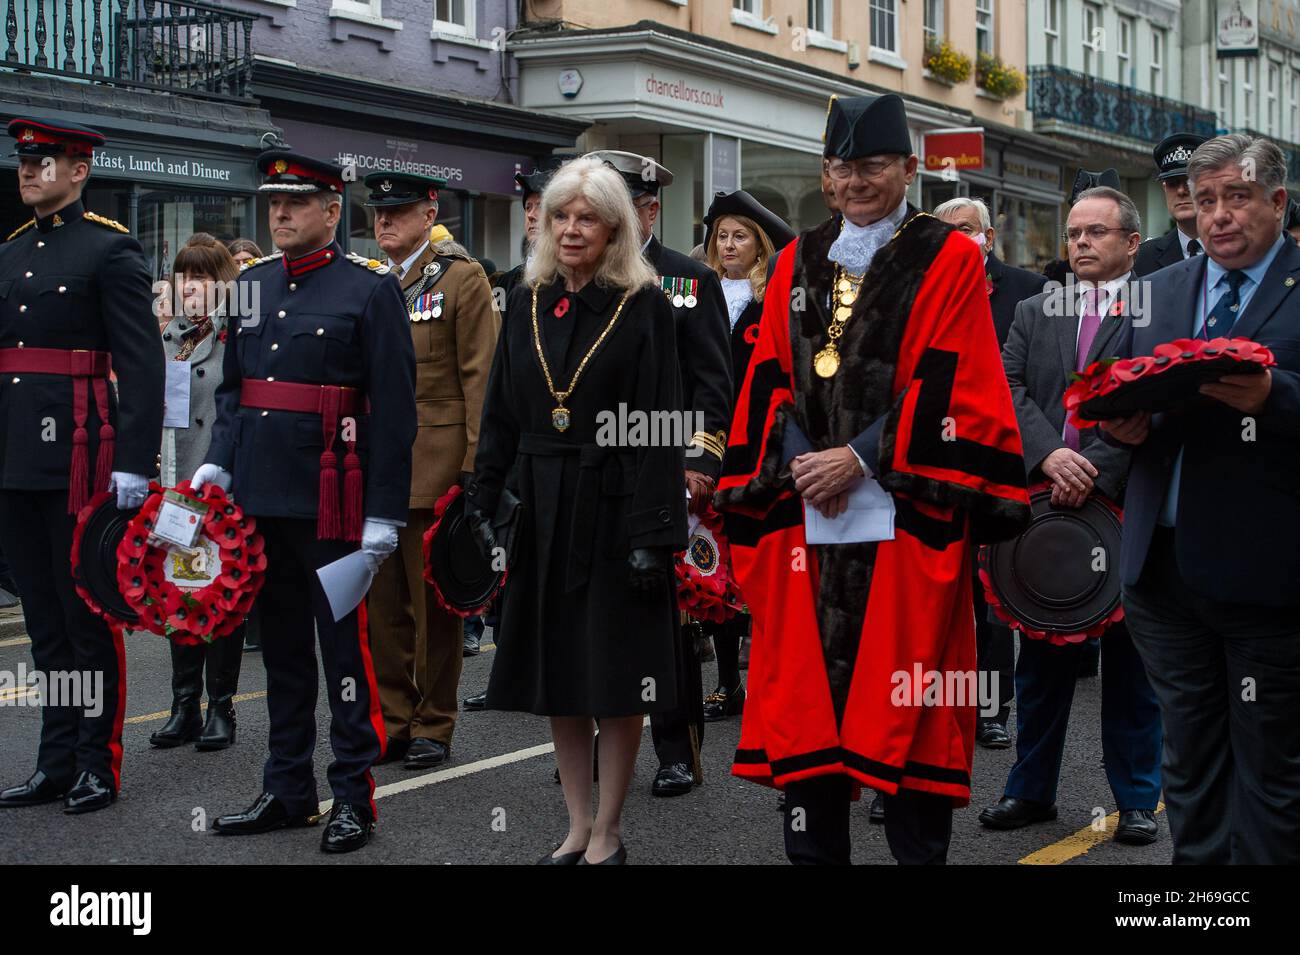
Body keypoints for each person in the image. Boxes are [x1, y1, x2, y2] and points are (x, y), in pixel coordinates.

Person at [716, 93, 1030, 865]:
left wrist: (858, 457)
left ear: (909, 169)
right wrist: (799, 458)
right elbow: (765, 379)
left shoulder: (950, 257)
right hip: (809, 528)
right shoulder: (795, 258)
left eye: (873, 166)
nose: (856, 180)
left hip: (906, 521)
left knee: (912, 706)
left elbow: (959, 383)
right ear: (825, 176)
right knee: (809, 722)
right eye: (842, 167)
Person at [193, 150, 417, 853]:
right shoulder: (252, 285)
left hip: (334, 503)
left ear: (331, 209)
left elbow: (396, 409)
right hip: (261, 499)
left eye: (295, 203)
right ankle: (286, 786)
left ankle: (353, 795)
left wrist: (384, 512)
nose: (281, 214)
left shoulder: (368, 291)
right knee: (284, 655)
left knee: (345, 657)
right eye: (273, 204)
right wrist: (217, 466)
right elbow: (234, 391)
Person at [465, 155, 686, 864]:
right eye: (560, 214)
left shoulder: (645, 304)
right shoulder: (525, 297)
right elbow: (498, 410)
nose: (569, 228)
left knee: (615, 677)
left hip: (617, 512)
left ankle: (610, 831)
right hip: (541, 507)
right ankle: (575, 824)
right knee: (561, 674)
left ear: (615, 226)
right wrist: (482, 493)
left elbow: (660, 422)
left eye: (586, 216)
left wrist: (655, 532)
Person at [1099, 134, 1300, 864]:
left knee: (1272, 771)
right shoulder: (1163, 288)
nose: (1216, 216)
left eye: (1236, 198)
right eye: (1204, 199)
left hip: (1267, 575)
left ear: (1277, 202)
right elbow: (1112, 378)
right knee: (1189, 762)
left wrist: (1275, 395)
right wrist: (1119, 422)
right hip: (1161, 570)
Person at [982, 186, 1163, 844]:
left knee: (1131, 661)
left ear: (1132, 243)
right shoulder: (1034, 309)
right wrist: (1052, 455)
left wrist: (1096, 469)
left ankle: (1138, 797)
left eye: (1096, 233)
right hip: (1043, 501)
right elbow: (1008, 385)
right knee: (1043, 656)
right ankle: (1028, 791)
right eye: (1074, 233)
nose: (1081, 243)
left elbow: (1158, 398)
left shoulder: (1157, 308)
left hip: (1123, 502)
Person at [0, 118, 164, 813]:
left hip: (79, 459)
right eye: (24, 161)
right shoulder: (9, 253)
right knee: (43, 623)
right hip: (15, 458)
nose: (29, 171)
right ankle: (56, 758)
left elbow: (141, 363)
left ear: (79, 170)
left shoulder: (110, 250)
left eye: (44, 161)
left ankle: (98, 760)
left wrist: (133, 461)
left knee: (87, 618)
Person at [584, 148, 733, 798]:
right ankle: (600, 741)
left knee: (667, 621)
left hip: (664, 466)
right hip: (593, 468)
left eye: (619, 207)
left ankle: (676, 748)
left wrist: (699, 460)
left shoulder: (687, 279)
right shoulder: (579, 275)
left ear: (649, 209)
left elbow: (713, 381)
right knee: (594, 616)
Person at [361, 171, 499, 769]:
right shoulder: (369, 282)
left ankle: (433, 724)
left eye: (401, 210)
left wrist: (473, 473)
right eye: (379, 212)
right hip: (374, 467)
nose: (386, 221)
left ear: (429, 212)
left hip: (435, 466)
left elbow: (480, 379)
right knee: (381, 607)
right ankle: (393, 718)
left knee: (433, 610)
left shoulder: (461, 279)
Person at [933, 195, 1045, 751]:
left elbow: (1035, 377)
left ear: (989, 235)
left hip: (1002, 459)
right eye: (946, 230)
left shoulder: (1027, 290)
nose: (958, 238)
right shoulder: (925, 286)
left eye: (967, 230)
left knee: (993, 595)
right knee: (941, 596)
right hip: (936, 461)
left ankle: (992, 708)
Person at [700, 189, 794, 722]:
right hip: (709, 443)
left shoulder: (774, 297)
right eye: (721, 236)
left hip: (760, 447)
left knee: (758, 565)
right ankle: (727, 682)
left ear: (759, 245)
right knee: (711, 563)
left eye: (740, 236)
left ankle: (767, 673)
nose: (729, 245)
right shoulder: (696, 291)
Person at [149, 234, 246, 751]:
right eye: (185, 275)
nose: (192, 286)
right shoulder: (166, 335)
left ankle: (220, 707)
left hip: (220, 483)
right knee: (176, 594)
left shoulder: (239, 333)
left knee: (220, 597)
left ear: (223, 283)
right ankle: (182, 704)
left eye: (204, 276)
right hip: (173, 485)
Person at [1134, 133, 1208, 277]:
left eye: (1189, 181)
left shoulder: (1232, 251)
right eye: (1173, 184)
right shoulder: (1142, 258)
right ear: (1164, 188)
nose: (1181, 191)